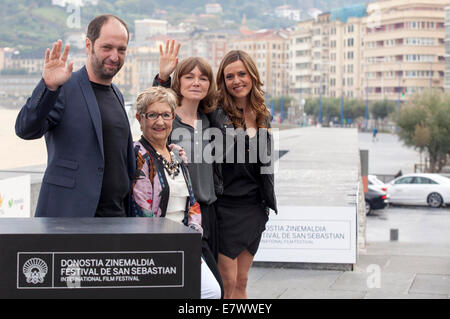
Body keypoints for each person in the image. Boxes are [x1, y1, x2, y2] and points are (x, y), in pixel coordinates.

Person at [15, 15, 135, 217]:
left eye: (121, 49)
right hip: (72, 219)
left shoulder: (117, 94)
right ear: (89, 45)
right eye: (107, 47)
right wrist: (48, 87)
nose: (115, 56)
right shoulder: (64, 88)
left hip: (117, 218)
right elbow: (25, 129)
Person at [131, 86, 222, 299]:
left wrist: (191, 237)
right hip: (155, 248)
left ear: (173, 117)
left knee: (212, 291)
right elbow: (143, 211)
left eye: (166, 115)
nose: (160, 122)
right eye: (152, 115)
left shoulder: (176, 154)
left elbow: (192, 202)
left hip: (185, 243)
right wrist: (168, 247)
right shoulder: (138, 155)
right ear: (139, 118)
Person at [210, 50, 277, 299]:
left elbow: (265, 166)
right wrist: (162, 78)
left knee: (242, 282)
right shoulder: (215, 113)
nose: (236, 80)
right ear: (223, 81)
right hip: (225, 208)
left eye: (241, 74)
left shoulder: (263, 114)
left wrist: (266, 204)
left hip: (253, 208)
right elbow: (178, 107)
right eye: (229, 76)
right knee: (226, 285)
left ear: (252, 75)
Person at [153, 41, 220, 262]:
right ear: (178, 81)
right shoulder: (169, 122)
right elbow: (152, 107)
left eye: (203, 78)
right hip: (180, 213)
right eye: (189, 77)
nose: (196, 82)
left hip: (210, 212)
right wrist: (162, 78)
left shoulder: (210, 121)